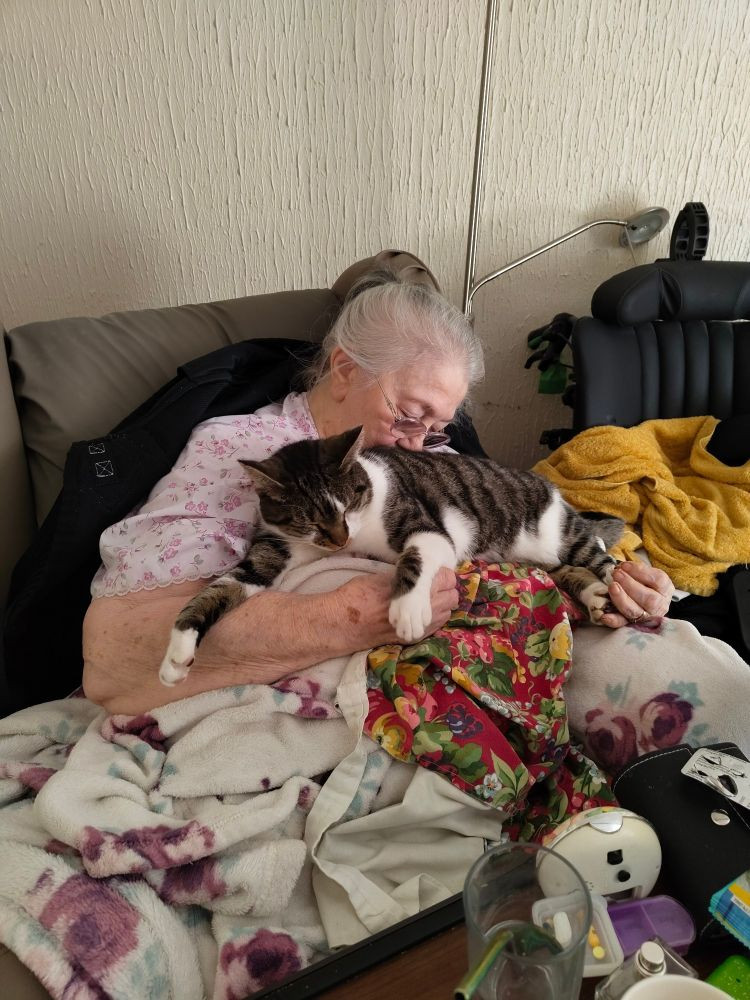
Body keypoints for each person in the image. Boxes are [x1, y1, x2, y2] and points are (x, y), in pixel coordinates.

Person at [82, 270, 674, 717]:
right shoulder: (238, 451)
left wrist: (617, 576)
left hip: (508, 645)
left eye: (438, 427)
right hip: (363, 700)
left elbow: (521, 544)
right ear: (345, 369)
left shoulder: (430, 461)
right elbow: (113, 658)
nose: (421, 444)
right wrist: (347, 616)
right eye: (410, 414)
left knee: (676, 669)